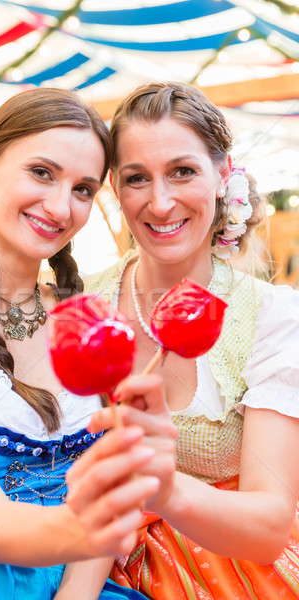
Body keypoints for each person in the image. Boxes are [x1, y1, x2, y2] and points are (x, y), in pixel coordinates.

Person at [0, 87, 176, 600]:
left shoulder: (86, 314)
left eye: (83, 189)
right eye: (42, 173)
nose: (59, 206)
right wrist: (104, 521)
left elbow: (115, 487)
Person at [84, 82, 299, 599]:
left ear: (224, 174)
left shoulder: (271, 316)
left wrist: (161, 493)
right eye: (138, 178)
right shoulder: (80, 305)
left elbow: (270, 524)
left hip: (236, 575)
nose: (160, 203)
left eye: (183, 171)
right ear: (115, 187)